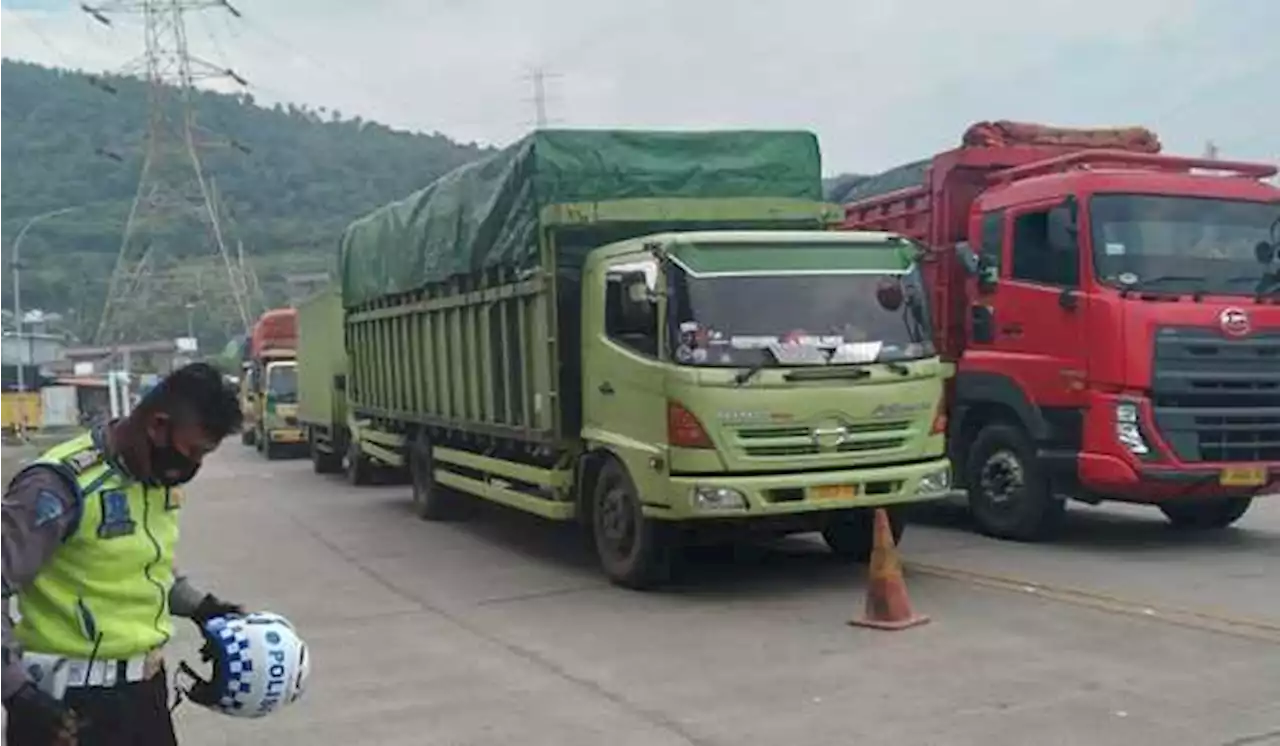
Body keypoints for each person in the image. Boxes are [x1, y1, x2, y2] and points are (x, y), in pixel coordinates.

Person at [0, 362, 246, 745]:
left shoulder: (154, 480)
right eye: (193, 451)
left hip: (143, 697)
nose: (194, 466)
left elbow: (145, 573)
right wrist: (17, 692)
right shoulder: (57, 487)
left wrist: (205, 609)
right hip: (64, 709)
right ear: (158, 426)